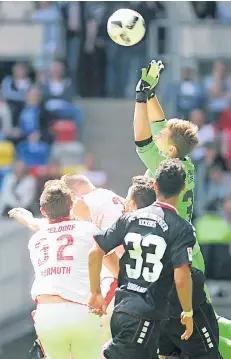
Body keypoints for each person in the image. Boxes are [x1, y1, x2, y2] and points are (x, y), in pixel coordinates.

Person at [133, 60, 231, 357]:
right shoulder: (181, 164)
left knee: (192, 335)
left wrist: (138, 99)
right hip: (190, 255)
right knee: (201, 325)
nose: (158, 134)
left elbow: (141, 139)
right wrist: (150, 94)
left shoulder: (165, 165)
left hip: (177, 263)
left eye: (163, 138)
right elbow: (159, 125)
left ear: (170, 151)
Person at [88, 159, 196, 359]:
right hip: (142, 316)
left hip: (122, 310)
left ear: (155, 186)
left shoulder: (130, 218)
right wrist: (188, 313)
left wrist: (95, 292)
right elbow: (182, 278)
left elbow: (95, 251)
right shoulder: (181, 228)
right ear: (182, 188)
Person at [27, 182, 107, 359]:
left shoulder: (35, 239)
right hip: (81, 309)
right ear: (71, 205)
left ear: (42, 211)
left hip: (47, 312)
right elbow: (111, 265)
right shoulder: (89, 229)